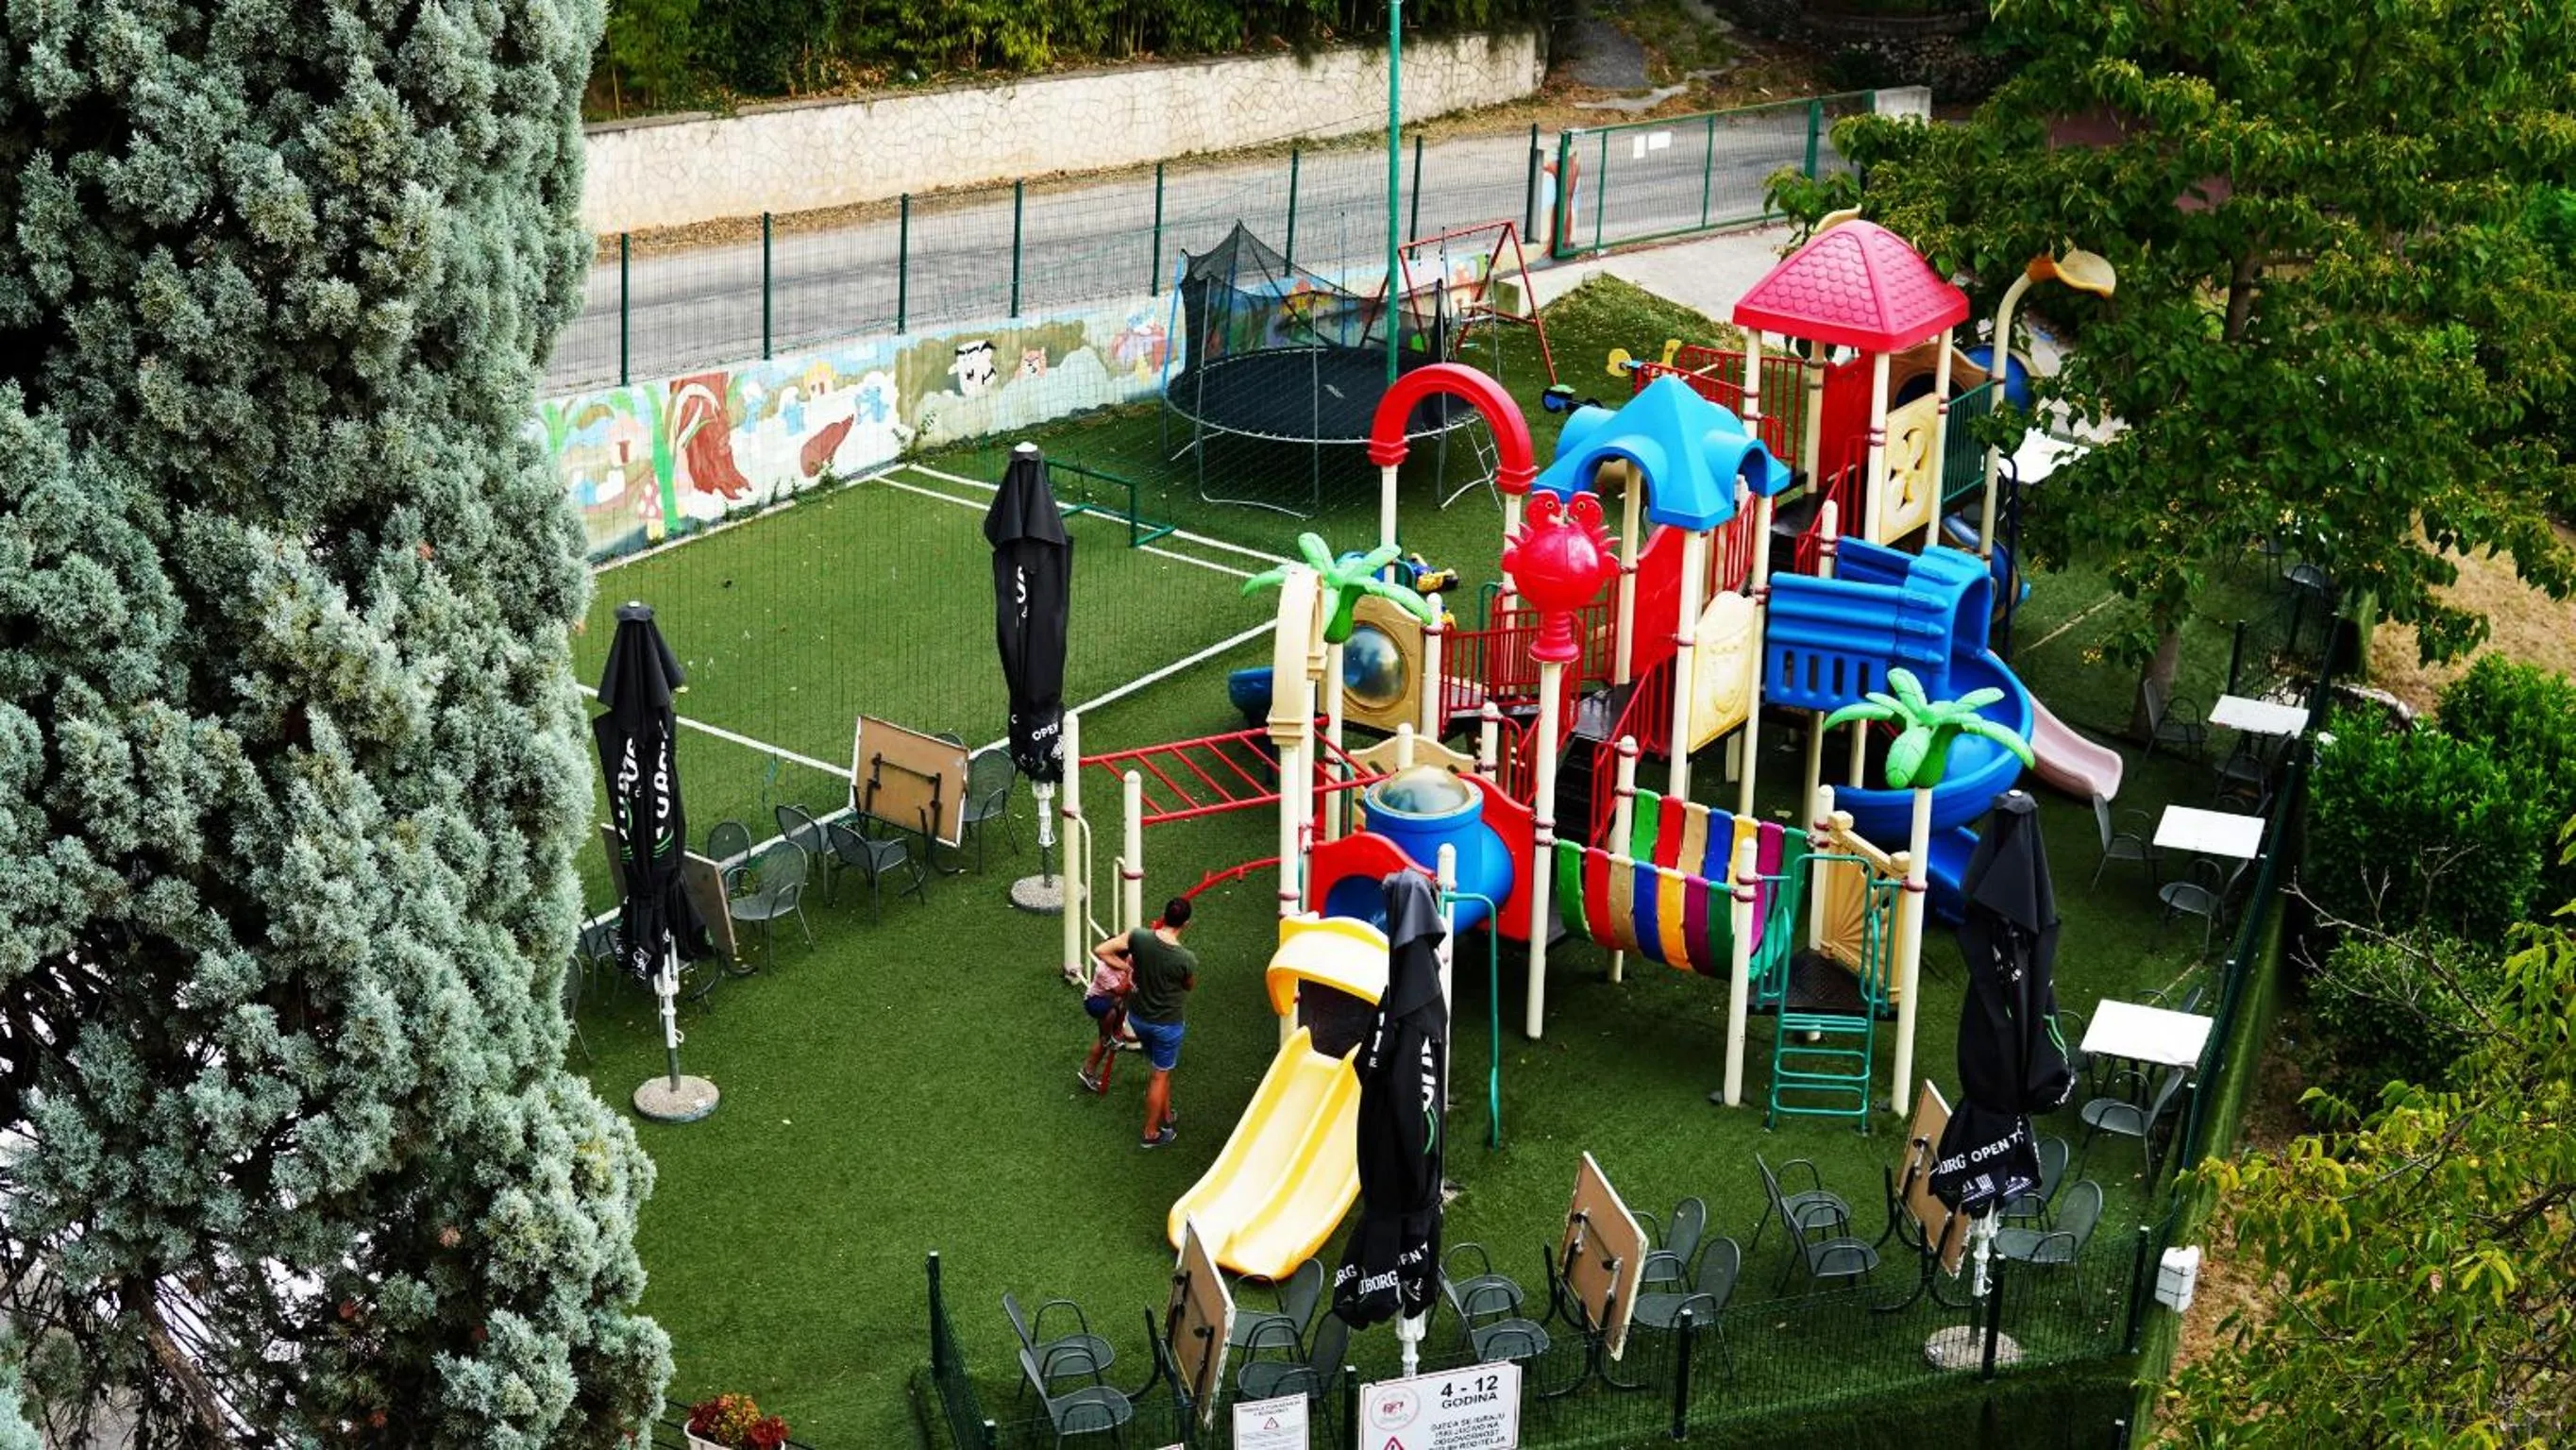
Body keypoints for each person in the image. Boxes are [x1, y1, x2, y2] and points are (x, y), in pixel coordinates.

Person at [1091, 897, 1197, 1148]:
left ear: (1164, 915)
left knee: (1162, 1069)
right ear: (1187, 923)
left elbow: (1101, 950)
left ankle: (1167, 1115)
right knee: (1159, 1075)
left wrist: (1127, 970)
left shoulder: (1138, 937)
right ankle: (1151, 1133)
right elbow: (1189, 985)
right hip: (1167, 1024)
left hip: (1139, 1019)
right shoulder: (1185, 958)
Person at [1075, 947, 1132, 1095]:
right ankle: (1089, 1069)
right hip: (1097, 1002)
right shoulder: (1103, 969)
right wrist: (1130, 971)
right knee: (1105, 1035)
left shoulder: (1125, 960)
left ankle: (1088, 1070)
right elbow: (1120, 990)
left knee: (1108, 1031)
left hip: (1114, 1002)